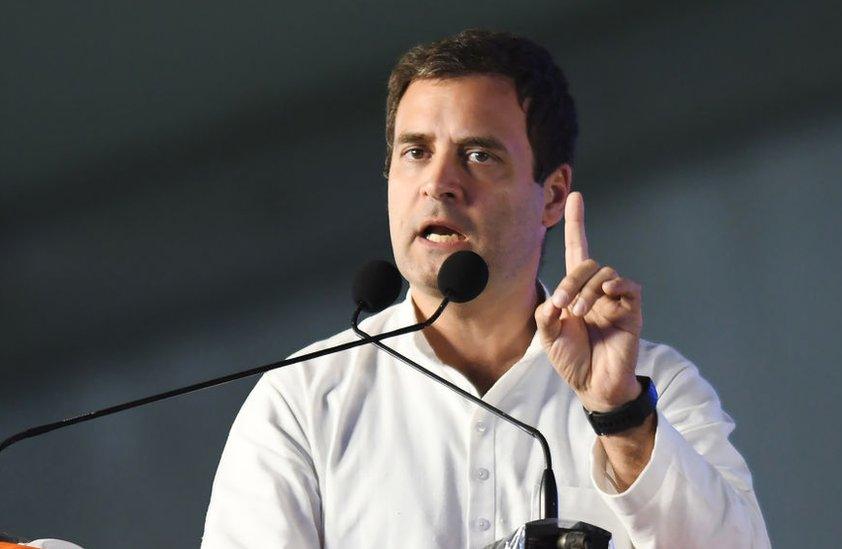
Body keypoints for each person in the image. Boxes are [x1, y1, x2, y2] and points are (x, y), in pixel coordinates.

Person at [201, 29, 770, 548]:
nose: (439, 184)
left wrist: (619, 417)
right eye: (416, 152)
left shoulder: (655, 391)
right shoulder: (300, 403)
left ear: (551, 195)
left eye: (478, 155)